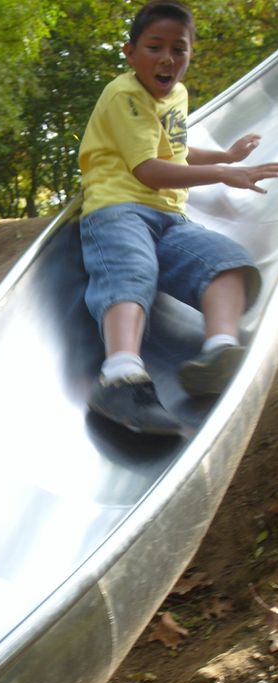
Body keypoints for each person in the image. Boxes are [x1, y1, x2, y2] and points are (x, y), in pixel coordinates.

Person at [78, 0, 278, 435]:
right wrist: (224, 173)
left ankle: (219, 351)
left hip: (169, 217)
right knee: (132, 271)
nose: (167, 58)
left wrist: (224, 154)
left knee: (227, 261)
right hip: (117, 209)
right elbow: (147, 168)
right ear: (130, 53)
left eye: (179, 49)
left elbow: (175, 149)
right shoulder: (124, 95)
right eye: (155, 47)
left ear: (190, 54)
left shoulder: (177, 97)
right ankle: (120, 375)